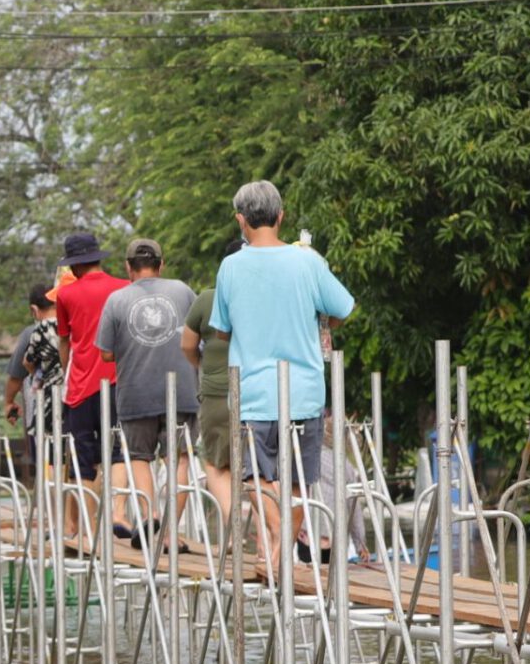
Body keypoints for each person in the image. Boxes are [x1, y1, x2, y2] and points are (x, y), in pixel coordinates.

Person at [210, 181, 355, 552]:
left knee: (253, 476)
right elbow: (343, 308)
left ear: (241, 220)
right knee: (299, 482)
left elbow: (222, 331)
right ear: (281, 216)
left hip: (252, 394)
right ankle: (281, 548)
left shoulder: (230, 267)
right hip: (303, 393)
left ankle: (276, 541)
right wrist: (317, 324)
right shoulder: (308, 261)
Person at [96, 237, 199, 540]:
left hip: (135, 392)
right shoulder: (183, 291)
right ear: (161, 264)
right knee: (178, 458)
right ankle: (169, 534)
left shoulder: (116, 300)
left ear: (128, 267)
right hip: (182, 391)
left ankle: (149, 514)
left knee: (140, 456)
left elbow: (105, 353)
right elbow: (200, 336)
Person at [51, 230, 132, 535]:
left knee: (84, 458)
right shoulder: (123, 288)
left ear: (73, 265)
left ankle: (87, 527)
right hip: (118, 381)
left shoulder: (65, 295)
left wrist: (67, 372)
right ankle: (118, 513)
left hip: (81, 388)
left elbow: (64, 342)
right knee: (119, 448)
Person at [182, 235, 246, 515]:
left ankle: (233, 522)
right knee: (260, 468)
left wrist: (202, 365)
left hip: (217, 391)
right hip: (263, 391)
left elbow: (187, 345)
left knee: (215, 462)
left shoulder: (207, 298)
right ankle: (266, 537)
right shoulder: (268, 297)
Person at [3, 285, 65, 430]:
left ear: (34, 310)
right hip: (77, 400)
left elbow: (17, 374)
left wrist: (9, 402)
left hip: (46, 404)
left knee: (44, 439)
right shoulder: (74, 326)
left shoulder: (34, 332)